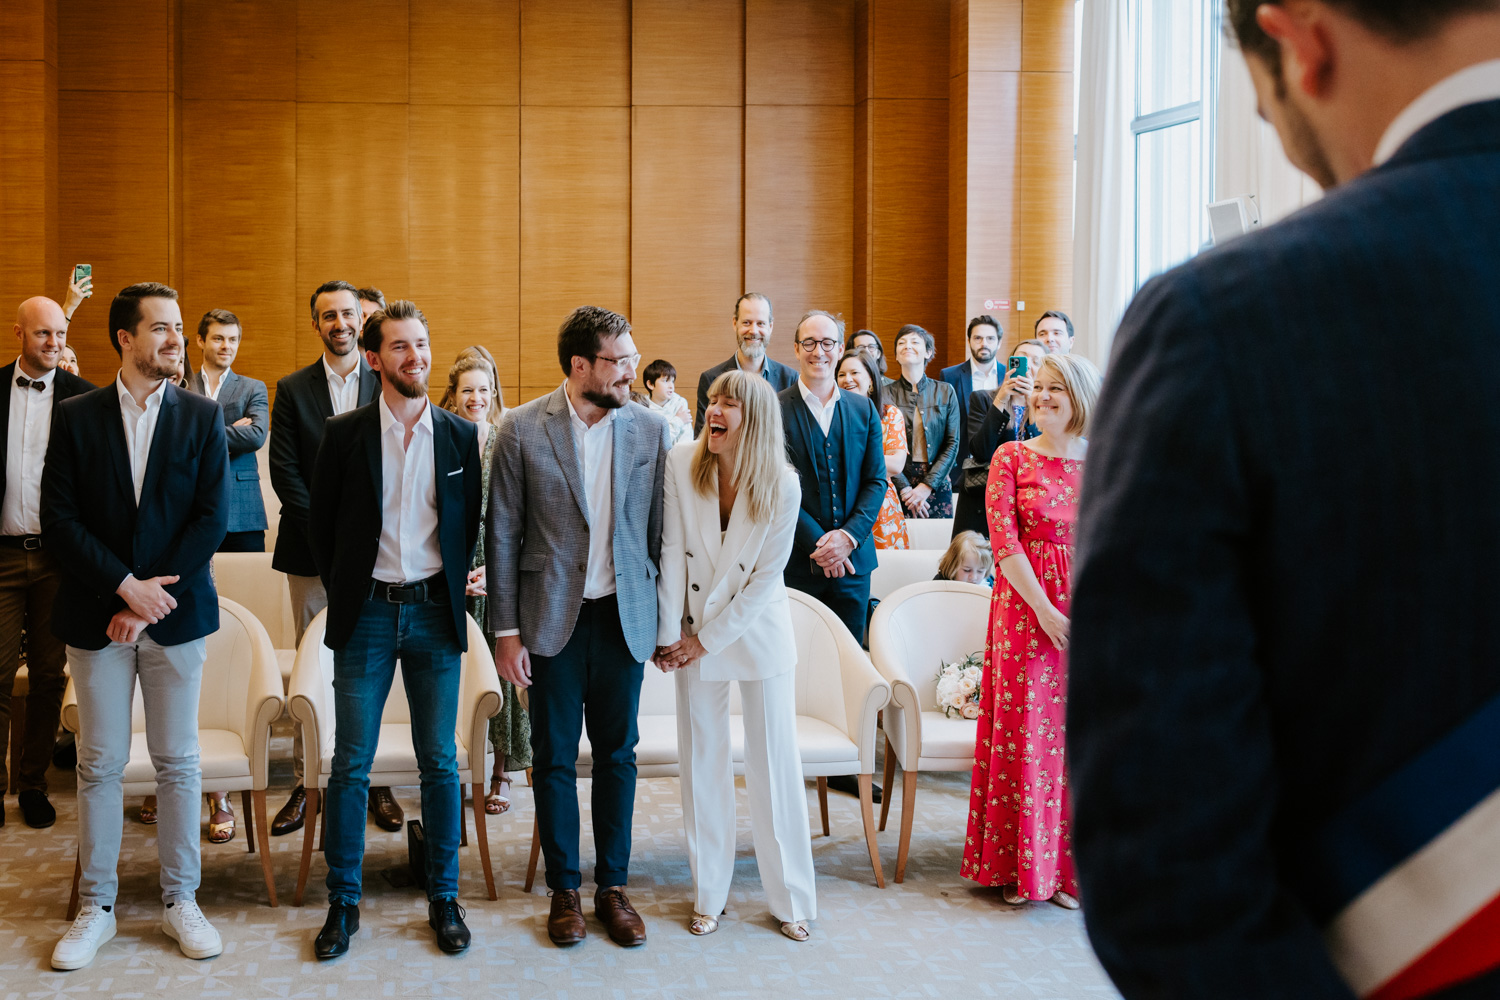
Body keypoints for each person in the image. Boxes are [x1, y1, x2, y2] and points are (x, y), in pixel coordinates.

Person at [1069, 2, 1500, 998]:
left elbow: (1166, 876)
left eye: (1273, 123)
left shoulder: (1223, 324)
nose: (1312, 174)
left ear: (1300, 37)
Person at [42, 282, 229, 970]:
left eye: (178, 327)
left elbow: (210, 518)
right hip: (97, 618)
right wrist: (123, 588)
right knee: (99, 764)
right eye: (161, 329)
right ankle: (96, 906)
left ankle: (183, 899)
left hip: (177, 617)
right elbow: (59, 519)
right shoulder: (76, 414)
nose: (175, 339)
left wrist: (150, 599)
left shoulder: (202, 417)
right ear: (124, 338)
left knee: (179, 763)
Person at [487, 305, 671, 949]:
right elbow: (503, 533)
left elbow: (660, 535)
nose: (631, 370)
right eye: (619, 361)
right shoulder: (520, 429)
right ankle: (565, 889)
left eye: (632, 357)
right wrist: (505, 632)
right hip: (550, 621)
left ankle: (612, 888)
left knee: (619, 757)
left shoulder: (649, 430)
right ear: (580, 366)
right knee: (554, 759)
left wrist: (664, 620)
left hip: (624, 619)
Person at [307, 301, 481, 959]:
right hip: (369, 616)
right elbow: (322, 531)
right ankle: (342, 904)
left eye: (423, 345)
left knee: (439, 761)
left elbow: (469, 521)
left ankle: (444, 897)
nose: (417, 358)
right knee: (350, 763)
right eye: (401, 348)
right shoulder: (344, 434)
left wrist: (461, 576)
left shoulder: (460, 437)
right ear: (375, 359)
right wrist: (353, 589)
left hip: (437, 613)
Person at [655, 369, 816, 942]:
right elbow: (672, 549)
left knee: (775, 767)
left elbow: (763, 584)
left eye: (727, 403)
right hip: (693, 629)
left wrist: (704, 641)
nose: (712, 411)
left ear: (756, 419)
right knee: (702, 765)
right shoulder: (680, 462)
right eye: (711, 401)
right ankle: (709, 894)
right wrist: (669, 631)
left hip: (756, 634)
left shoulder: (784, 485)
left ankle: (792, 899)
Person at [962, 353, 1099, 911]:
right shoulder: (1009, 456)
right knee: (1026, 737)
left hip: (1085, 613)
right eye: (1037, 389)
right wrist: (1045, 610)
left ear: (1080, 397)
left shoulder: (1103, 462)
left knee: (1074, 740)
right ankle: (1018, 868)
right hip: (1024, 612)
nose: (1041, 397)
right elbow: (1006, 542)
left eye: (1055, 390)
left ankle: (1065, 872)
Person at [268, 281, 388, 837]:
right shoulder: (291, 389)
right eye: (328, 316)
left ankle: (376, 781)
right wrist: (334, 532)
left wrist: (361, 534)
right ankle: (304, 781)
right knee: (311, 667)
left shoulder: (385, 376)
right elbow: (285, 472)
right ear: (315, 324)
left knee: (374, 667)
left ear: (359, 320)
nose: (339, 323)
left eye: (347, 314)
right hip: (310, 553)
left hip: (379, 554)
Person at [0, 297, 94, 830]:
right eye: (43, 334)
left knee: (46, 676)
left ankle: (32, 785)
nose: (54, 343)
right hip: (2, 554)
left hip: (59, 560)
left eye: (60, 334)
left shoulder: (83, 398)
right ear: (19, 333)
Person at [437, 351, 528, 817]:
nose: (476, 397)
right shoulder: (442, 440)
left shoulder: (509, 439)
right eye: (467, 389)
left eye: (483, 389)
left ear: (495, 392)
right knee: (454, 679)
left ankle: (502, 773)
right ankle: (457, 770)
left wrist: (496, 569)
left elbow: (523, 516)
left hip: (501, 574)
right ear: (454, 395)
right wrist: (455, 575)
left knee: (503, 674)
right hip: (451, 574)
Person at [778, 311, 887, 644]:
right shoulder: (775, 408)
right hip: (798, 563)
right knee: (800, 662)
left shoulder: (863, 409)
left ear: (840, 349)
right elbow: (773, 487)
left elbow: (876, 481)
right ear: (797, 349)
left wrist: (847, 539)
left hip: (855, 563)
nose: (818, 351)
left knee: (850, 659)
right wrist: (820, 545)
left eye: (827, 342)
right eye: (809, 342)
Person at [187, 309, 269, 554]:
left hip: (243, 512)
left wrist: (200, 437)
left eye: (233, 340)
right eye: (218, 338)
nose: (227, 346)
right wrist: (231, 432)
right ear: (201, 340)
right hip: (191, 510)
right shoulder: (182, 385)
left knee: (248, 590)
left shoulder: (253, 388)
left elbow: (256, 435)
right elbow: (175, 438)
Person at [963, 338, 1049, 537]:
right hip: (987, 498)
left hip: (1032, 500)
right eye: (1022, 360)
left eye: (1036, 361)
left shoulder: (1047, 405)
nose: (1028, 367)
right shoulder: (983, 399)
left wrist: (1033, 402)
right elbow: (980, 451)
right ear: (1011, 364)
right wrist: (1001, 399)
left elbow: (1044, 450)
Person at [694, 293, 798, 435]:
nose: (754, 331)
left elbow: (792, 438)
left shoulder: (790, 379)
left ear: (770, 326)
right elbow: (703, 439)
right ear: (735, 323)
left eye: (761, 323)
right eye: (747, 323)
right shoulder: (712, 379)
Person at [835, 351, 908, 550]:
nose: (847, 379)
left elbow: (895, 465)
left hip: (881, 506)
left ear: (871, 381)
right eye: (841, 375)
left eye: (854, 373)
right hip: (842, 503)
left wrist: (848, 459)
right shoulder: (830, 415)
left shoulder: (889, 414)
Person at [886, 325, 959, 520]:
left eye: (914, 342)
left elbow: (952, 444)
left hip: (937, 480)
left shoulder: (945, 391)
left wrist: (926, 487)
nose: (907, 346)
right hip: (897, 480)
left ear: (928, 352)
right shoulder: (884, 394)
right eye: (901, 343)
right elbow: (880, 446)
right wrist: (906, 490)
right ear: (896, 356)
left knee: (938, 544)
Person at [941, 317, 1002, 536]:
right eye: (977, 337)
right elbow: (948, 425)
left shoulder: (1010, 376)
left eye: (989, 338)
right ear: (969, 341)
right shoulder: (950, 375)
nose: (983, 343)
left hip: (1002, 469)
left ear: (999, 342)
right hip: (964, 471)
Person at [642, 358, 691, 447]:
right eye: (665, 381)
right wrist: (678, 420)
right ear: (651, 384)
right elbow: (654, 443)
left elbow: (686, 438)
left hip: (677, 457)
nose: (671, 386)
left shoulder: (680, 403)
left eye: (672, 381)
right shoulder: (643, 407)